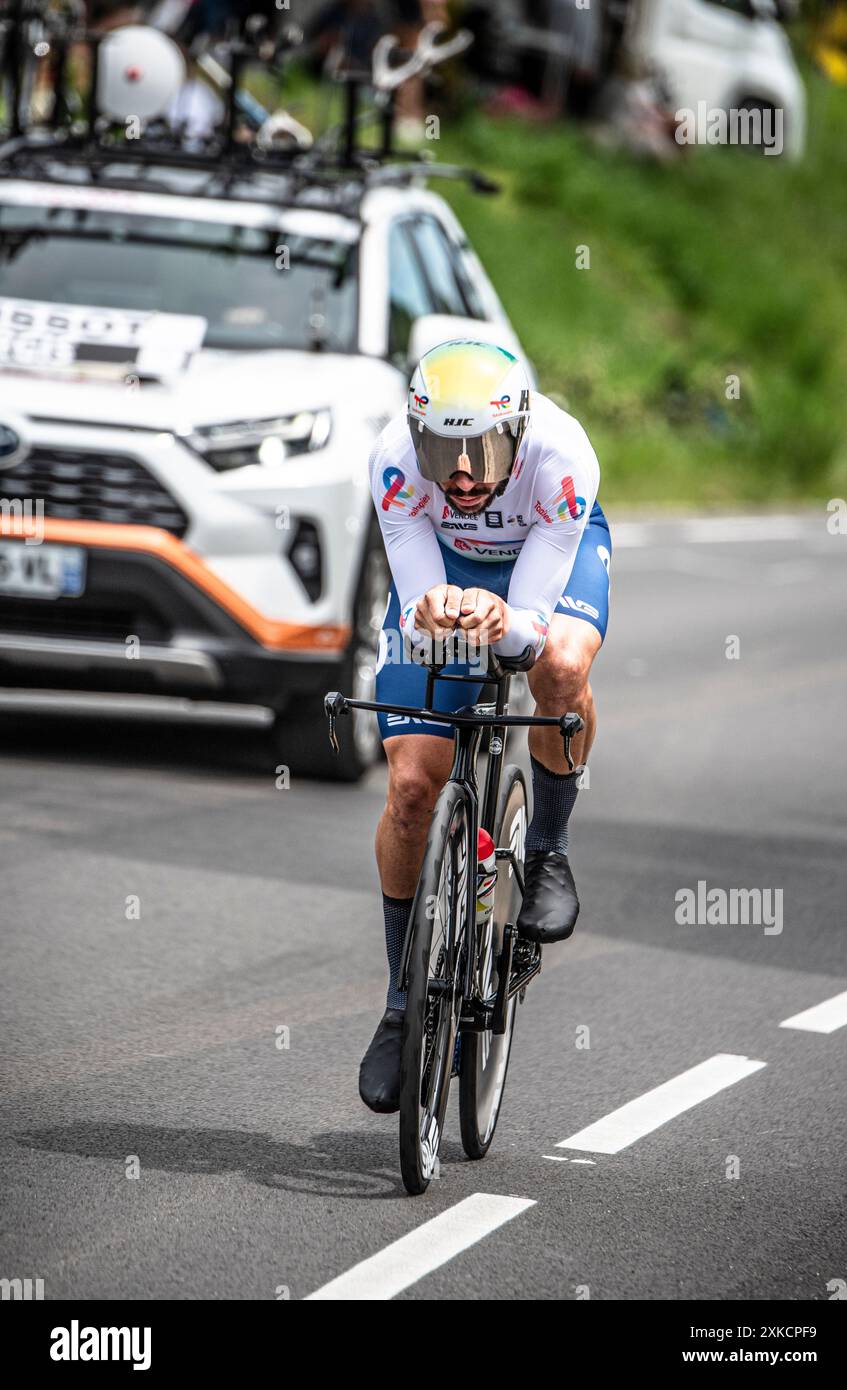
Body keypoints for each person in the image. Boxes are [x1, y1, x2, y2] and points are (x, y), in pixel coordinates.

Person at [360, 338, 611, 1111]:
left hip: (541, 563)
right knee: (409, 785)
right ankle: (402, 1005)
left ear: (519, 429)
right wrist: (432, 609)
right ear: (414, 434)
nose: (461, 473)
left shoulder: (562, 456)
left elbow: (529, 634)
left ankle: (547, 853)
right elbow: (416, 588)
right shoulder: (393, 461)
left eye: (481, 449)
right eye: (442, 449)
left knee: (560, 670)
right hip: (445, 566)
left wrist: (506, 622)